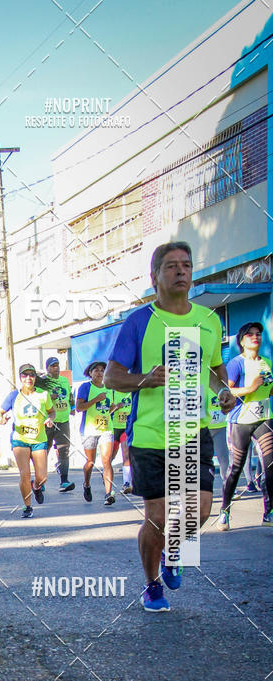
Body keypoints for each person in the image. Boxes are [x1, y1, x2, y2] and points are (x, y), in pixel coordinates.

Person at [104, 241, 235, 611]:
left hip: (193, 430)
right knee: (158, 517)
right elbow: (112, 378)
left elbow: (214, 370)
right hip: (149, 434)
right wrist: (146, 379)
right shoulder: (139, 321)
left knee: (201, 510)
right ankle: (151, 584)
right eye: (172, 266)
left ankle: (173, 552)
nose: (181, 271)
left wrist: (223, 390)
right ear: (155, 276)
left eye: (187, 265)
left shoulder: (208, 320)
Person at [216, 321, 273, 530]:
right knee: (236, 469)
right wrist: (251, 387)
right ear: (242, 340)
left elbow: (268, 390)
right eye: (250, 334)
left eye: (258, 334)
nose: (255, 337)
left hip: (264, 418)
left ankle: (269, 512)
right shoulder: (236, 364)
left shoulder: (266, 363)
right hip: (241, 420)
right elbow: (226, 392)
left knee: (270, 466)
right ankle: (224, 510)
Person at [0, 362, 55, 519]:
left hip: (39, 439)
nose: (28, 378)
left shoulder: (43, 395)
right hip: (20, 439)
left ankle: (36, 487)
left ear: (35, 377)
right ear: (20, 378)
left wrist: (50, 419)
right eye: (25, 375)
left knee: (42, 477)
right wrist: (1, 420)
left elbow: (52, 411)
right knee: (24, 474)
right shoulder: (14, 395)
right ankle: (27, 506)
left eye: (31, 375)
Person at [76, 361, 115, 505]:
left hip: (106, 428)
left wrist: (113, 408)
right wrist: (95, 399)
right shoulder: (86, 387)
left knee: (106, 460)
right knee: (90, 462)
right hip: (89, 430)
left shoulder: (109, 388)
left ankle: (108, 493)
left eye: (102, 370)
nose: (99, 372)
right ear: (90, 373)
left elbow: (107, 409)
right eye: (96, 370)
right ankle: (86, 484)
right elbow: (79, 408)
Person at [37, 357, 76, 492]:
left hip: (63, 421)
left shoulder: (64, 380)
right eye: (53, 366)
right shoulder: (42, 382)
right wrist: (49, 397)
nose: (57, 368)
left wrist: (72, 407)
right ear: (47, 368)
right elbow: (36, 398)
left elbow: (69, 395)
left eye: (58, 365)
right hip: (48, 421)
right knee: (43, 451)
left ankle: (64, 481)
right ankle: (40, 481)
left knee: (64, 450)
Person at [110, 390, 132, 493]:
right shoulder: (112, 393)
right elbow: (106, 411)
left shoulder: (132, 393)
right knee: (111, 457)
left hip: (126, 429)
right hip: (114, 429)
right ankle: (107, 477)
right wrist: (116, 407)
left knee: (126, 454)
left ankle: (126, 483)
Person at [206, 389, 229, 487]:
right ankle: (206, 488)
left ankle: (228, 487)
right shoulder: (201, 384)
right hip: (204, 429)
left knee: (224, 458)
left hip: (220, 428)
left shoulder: (220, 385)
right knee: (205, 460)